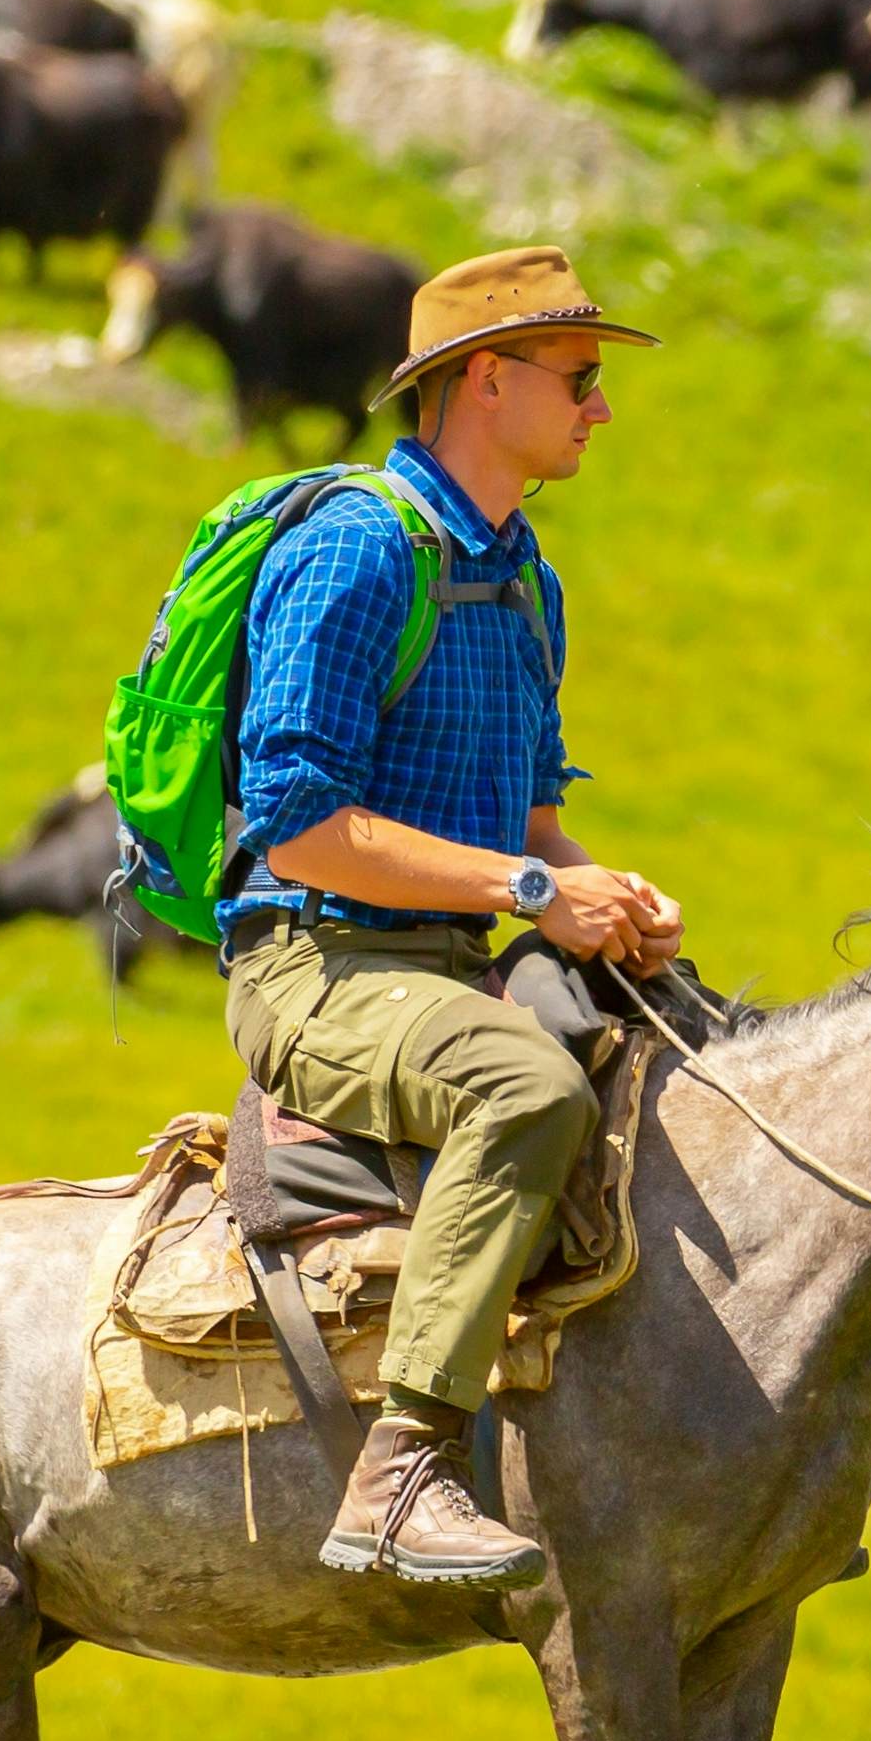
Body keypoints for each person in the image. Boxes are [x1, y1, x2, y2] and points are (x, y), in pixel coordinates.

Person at [223, 244, 690, 1586]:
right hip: (313, 966)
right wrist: (537, 893)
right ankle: (402, 1468)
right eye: (583, 377)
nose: (602, 406)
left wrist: (609, 898)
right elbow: (302, 823)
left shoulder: (529, 579)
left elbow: (535, 826)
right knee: (533, 1094)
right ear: (488, 381)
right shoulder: (354, 550)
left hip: (451, 958)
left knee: (685, 1037)